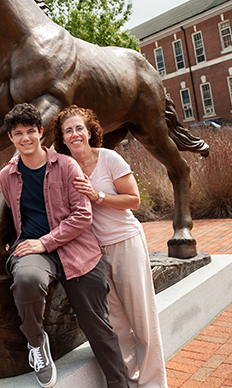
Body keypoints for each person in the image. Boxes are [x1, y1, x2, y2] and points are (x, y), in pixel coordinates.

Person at [0, 103, 129, 388]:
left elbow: (83, 215)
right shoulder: (6, 176)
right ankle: (36, 343)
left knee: (97, 325)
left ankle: (119, 383)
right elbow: (14, 214)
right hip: (33, 249)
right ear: (10, 138)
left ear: (41, 133)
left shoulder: (67, 165)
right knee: (27, 278)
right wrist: (27, 246)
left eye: (30, 131)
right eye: (18, 133)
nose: (25, 138)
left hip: (77, 249)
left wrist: (46, 242)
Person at [52, 105, 167, 388]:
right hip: (94, 254)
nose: (75, 134)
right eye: (68, 130)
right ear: (63, 138)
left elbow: (134, 200)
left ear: (90, 131)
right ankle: (131, 381)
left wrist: (98, 195)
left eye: (79, 128)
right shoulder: (65, 167)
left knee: (142, 320)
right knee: (116, 324)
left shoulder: (109, 158)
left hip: (125, 242)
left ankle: (153, 384)